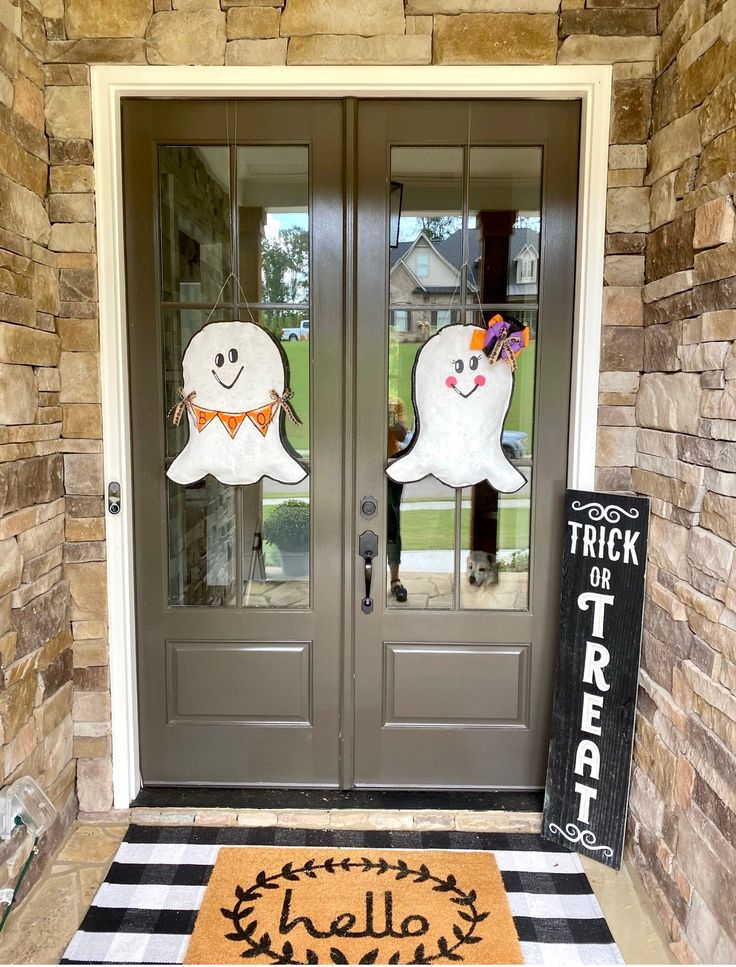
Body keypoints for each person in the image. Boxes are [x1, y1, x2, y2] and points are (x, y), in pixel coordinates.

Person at [387, 395, 409, 602]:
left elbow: (402, 436)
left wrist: (389, 414)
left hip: (391, 464)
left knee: (392, 521)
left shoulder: (394, 401)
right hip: (359, 464)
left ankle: (395, 579)